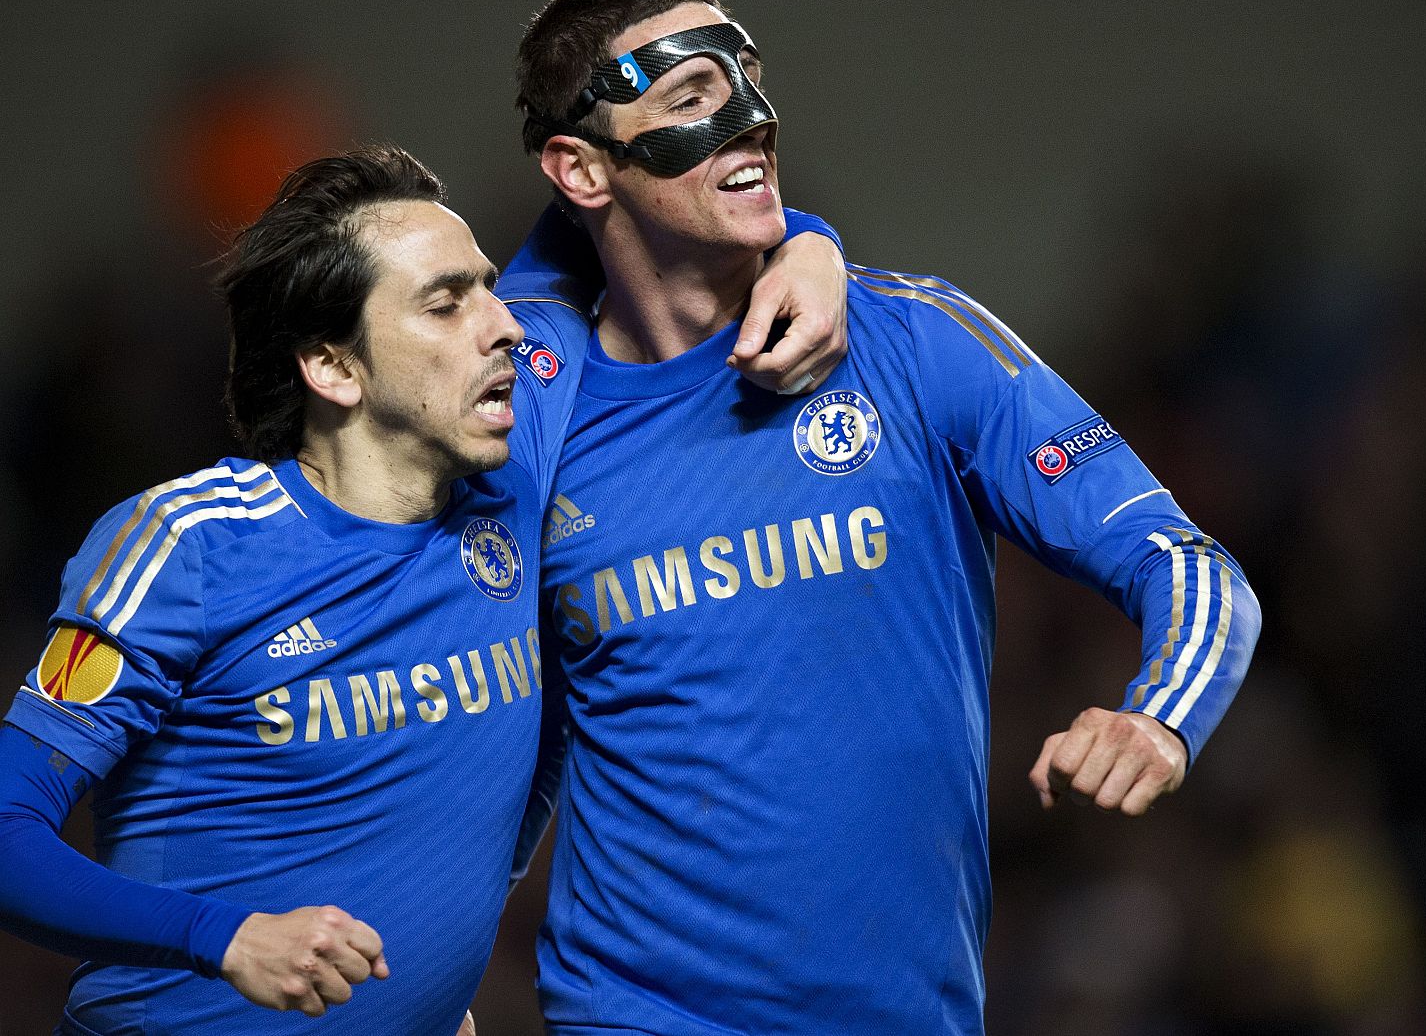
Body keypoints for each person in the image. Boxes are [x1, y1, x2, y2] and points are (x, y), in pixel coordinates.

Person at [505, 0, 1262, 1034]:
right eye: (690, 100)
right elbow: (498, 740)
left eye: (749, 82)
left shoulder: (917, 342)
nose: (752, 121)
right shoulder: (522, 420)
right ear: (580, 168)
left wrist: (1160, 720)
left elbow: (1184, 561)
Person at [0, 145, 847, 1032]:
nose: (504, 326)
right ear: (334, 367)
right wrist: (228, 937)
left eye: (488, 288)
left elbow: (602, 212)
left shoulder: (514, 484)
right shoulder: (192, 547)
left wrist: (809, 246)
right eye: (446, 304)